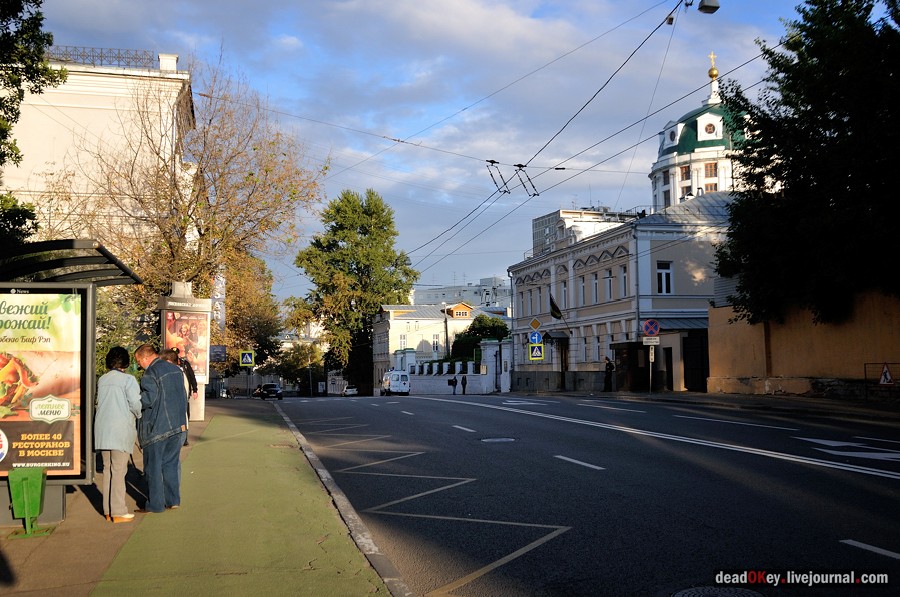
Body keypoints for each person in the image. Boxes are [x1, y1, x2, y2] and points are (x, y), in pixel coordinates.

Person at [134, 343, 188, 513]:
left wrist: (134, 400)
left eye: (138, 361)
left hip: (157, 428)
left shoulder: (151, 373)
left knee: (153, 468)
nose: (139, 366)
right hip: (177, 425)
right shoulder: (175, 370)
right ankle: (173, 500)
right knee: (171, 465)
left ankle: (156, 505)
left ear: (145, 358)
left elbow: (148, 399)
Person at [94, 346, 142, 523]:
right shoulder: (128, 380)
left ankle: (108, 510)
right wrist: (139, 415)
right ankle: (118, 511)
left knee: (108, 470)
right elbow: (135, 403)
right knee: (119, 471)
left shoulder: (103, 379)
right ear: (125, 362)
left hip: (102, 429)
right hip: (120, 429)